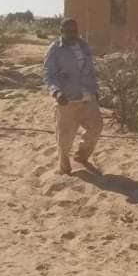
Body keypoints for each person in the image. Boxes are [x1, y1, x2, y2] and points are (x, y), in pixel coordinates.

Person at [43, 18, 103, 174]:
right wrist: (56, 92)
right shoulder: (54, 50)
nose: (72, 35)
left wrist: (95, 89)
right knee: (65, 138)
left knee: (96, 127)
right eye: (68, 31)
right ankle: (64, 168)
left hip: (87, 95)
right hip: (67, 99)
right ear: (61, 31)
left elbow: (90, 69)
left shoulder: (83, 46)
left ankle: (82, 156)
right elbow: (49, 75)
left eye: (74, 31)